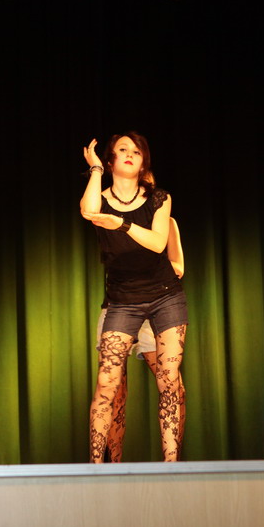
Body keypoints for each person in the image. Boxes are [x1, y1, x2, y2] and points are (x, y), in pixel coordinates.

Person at [80, 132, 188, 463]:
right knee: (107, 382)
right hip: (122, 300)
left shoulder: (159, 198)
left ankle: (172, 467)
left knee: (169, 380)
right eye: (122, 149)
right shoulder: (101, 199)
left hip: (164, 296)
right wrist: (95, 170)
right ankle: (96, 469)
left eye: (137, 151)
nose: (130, 154)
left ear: (144, 163)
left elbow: (157, 243)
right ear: (111, 159)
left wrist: (121, 224)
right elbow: (88, 211)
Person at [99, 218, 185, 462]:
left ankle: (173, 461)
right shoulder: (113, 221)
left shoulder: (167, 222)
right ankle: (111, 466)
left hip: (156, 306)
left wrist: (157, 268)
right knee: (113, 390)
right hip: (118, 306)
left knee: (172, 385)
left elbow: (178, 265)